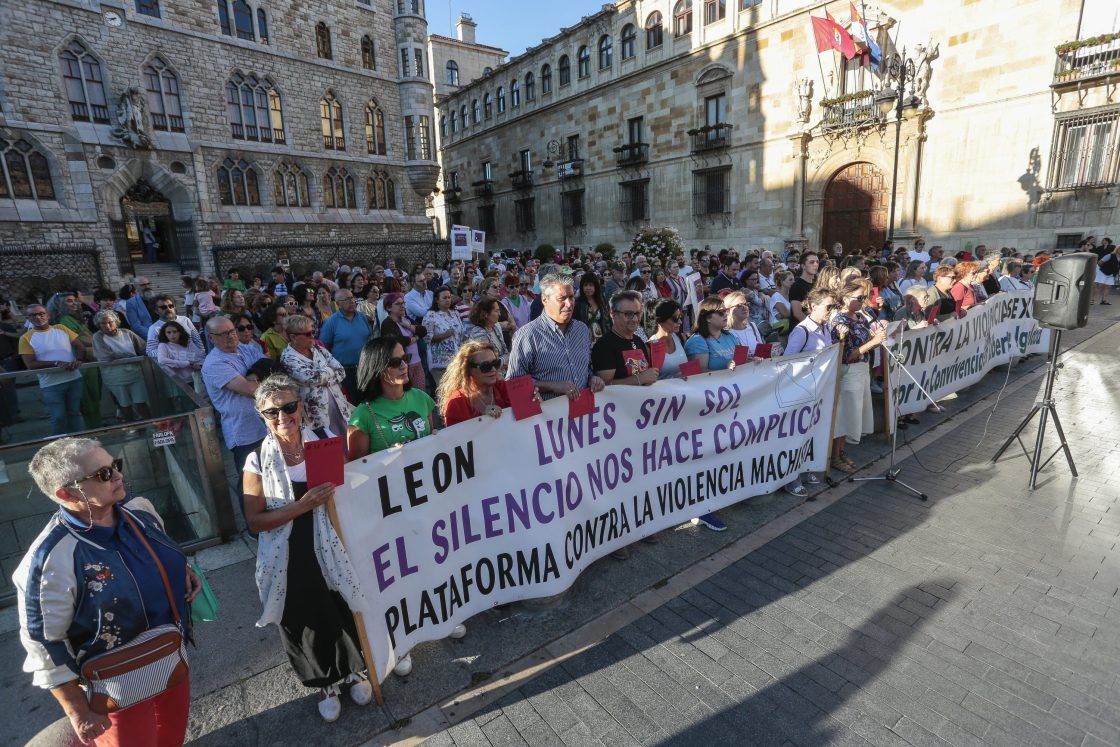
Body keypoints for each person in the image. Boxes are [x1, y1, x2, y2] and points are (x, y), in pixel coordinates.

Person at [15, 437, 200, 746]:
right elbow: (44, 643)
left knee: (172, 739)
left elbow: (161, 551)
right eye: (103, 474)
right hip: (115, 690)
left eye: (116, 465)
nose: (118, 476)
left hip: (170, 661)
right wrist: (78, 711)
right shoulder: (49, 561)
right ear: (66, 493)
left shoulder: (140, 510)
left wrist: (183, 570)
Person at [241, 376, 372, 722]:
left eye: (288, 407)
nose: (282, 417)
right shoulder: (255, 460)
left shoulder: (326, 440)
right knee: (303, 614)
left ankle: (353, 669)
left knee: (339, 601)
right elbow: (255, 521)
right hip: (289, 549)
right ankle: (325, 682)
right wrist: (303, 505)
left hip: (331, 537)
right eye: (272, 412)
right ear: (261, 416)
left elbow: (350, 488)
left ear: (301, 407)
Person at [202, 316, 268, 521]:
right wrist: (260, 373)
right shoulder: (214, 363)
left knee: (268, 476)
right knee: (250, 483)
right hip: (244, 431)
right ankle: (253, 526)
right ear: (211, 338)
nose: (230, 336)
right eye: (222, 334)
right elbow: (249, 389)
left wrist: (256, 373)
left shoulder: (247, 348)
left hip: (265, 423)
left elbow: (270, 365)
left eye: (232, 330)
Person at [505, 274, 606, 402]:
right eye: (561, 298)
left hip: (584, 417)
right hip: (548, 419)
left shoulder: (582, 330)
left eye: (571, 297)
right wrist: (550, 385)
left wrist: (593, 379)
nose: (569, 304)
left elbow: (586, 367)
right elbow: (514, 383)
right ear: (544, 300)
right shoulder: (527, 335)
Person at [830, 280, 887, 473]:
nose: (863, 302)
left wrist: (878, 338)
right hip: (849, 371)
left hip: (862, 370)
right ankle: (834, 456)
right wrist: (873, 342)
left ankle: (842, 451)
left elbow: (867, 345)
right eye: (859, 298)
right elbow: (848, 354)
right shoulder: (840, 320)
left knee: (853, 415)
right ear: (845, 299)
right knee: (844, 415)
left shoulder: (860, 318)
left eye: (865, 297)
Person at [281, 315, 353, 437]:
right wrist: (330, 371)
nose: (313, 336)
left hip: (338, 404)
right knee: (328, 445)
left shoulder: (318, 349)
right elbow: (312, 378)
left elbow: (341, 371)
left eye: (313, 332)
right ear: (293, 337)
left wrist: (323, 377)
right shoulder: (288, 358)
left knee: (348, 440)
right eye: (308, 334)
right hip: (315, 415)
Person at [19, 304, 86, 435]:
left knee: (74, 413)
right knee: (58, 417)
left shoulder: (61, 328)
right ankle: (59, 447)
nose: (38, 317)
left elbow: (81, 347)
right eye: (33, 315)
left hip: (74, 379)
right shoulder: (26, 338)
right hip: (51, 384)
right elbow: (30, 364)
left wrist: (78, 359)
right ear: (28, 318)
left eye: (41, 313)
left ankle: (79, 444)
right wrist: (56, 363)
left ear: (48, 315)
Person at [48, 292, 102, 429]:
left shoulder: (73, 318)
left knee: (93, 398)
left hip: (88, 362)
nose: (75, 303)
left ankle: (96, 425)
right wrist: (97, 340)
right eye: (70, 301)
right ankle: (95, 428)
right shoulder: (65, 320)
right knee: (89, 400)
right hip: (83, 364)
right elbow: (79, 341)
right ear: (60, 305)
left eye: (75, 300)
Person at [437, 339, 513, 426]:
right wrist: (482, 420)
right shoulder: (457, 402)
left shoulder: (503, 387)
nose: (493, 369)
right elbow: (456, 437)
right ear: (468, 370)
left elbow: (526, 410)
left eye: (495, 363)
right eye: (485, 366)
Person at [92, 310, 151, 421]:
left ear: (116, 322)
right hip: (115, 377)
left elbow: (143, 347)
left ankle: (152, 426)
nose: (107, 326)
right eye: (103, 323)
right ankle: (133, 427)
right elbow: (106, 356)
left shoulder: (127, 333)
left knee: (141, 403)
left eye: (110, 322)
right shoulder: (98, 337)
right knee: (124, 405)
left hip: (135, 374)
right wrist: (129, 356)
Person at [592, 291, 659, 387]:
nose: (635, 319)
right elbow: (605, 387)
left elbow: (648, 376)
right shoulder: (604, 346)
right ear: (613, 314)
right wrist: (639, 379)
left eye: (638, 313)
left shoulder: (638, 340)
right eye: (628, 314)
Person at [319, 289, 371, 403]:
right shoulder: (331, 322)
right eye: (346, 299)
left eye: (352, 298)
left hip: (365, 368)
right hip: (344, 372)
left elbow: (368, 338)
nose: (351, 301)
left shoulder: (362, 317)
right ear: (337, 304)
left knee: (368, 401)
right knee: (351, 404)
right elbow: (323, 348)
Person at [380, 292, 425, 389]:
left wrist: (408, 326)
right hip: (403, 366)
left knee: (421, 392)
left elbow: (423, 331)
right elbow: (400, 342)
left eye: (403, 303)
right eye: (398, 304)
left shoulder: (406, 319)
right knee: (407, 393)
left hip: (417, 362)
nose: (402, 306)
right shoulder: (387, 324)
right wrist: (416, 337)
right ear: (388, 308)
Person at [423, 286, 464, 390]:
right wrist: (444, 335)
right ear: (437, 300)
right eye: (444, 298)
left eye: (449, 297)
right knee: (445, 391)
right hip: (440, 361)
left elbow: (461, 332)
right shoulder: (430, 315)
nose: (448, 300)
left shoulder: (455, 313)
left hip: (456, 358)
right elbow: (426, 338)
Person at [685, 296, 738, 373]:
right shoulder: (697, 341)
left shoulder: (730, 336)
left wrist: (752, 360)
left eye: (726, 311)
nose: (725, 314)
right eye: (721, 312)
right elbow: (698, 374)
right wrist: (725, 370)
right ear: (707, 318)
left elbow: (741, 360)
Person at [466, 297, 509, 372]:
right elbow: (489, 361)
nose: (499, 314)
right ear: (485, 314)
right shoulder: (478, 334)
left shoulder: (495, 328)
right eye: (496, 311)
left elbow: (503, 354)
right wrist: (507, 357)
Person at [648, 299, 689, 378]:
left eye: (680, 317)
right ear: (660, 320)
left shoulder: (681, 338)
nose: (680, 322)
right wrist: (673, 379)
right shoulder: (650, 346)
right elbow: (649, 380)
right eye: (675, 318)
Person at [722, 291, 765, 355]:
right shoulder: (726, 333)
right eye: (739, 305)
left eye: (746, 304)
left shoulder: (752, 326)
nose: (745, 307)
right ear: (728, 310)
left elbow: (762, 351)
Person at [573, 271, 609, 344]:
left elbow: (606, 320)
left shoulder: (601, 301)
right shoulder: (578, 303)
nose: (588, 288)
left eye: (591, 285)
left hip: (601, 339)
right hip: (583, 340)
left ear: (596, 287)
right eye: (585, 285)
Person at [789, 252, 819, 322]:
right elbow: (797, 313)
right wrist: (813, 327)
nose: (816, 264)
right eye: (811, 262)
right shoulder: (796, 286)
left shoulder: (816, 284)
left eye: (817, 262)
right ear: (803, 266)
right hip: (802, 329)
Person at [768, 270, 795, 335]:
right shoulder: (776, 296)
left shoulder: (792, 295)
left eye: (794, 280)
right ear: (782, 282)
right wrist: (797, 311)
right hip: (780, 330)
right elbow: (786, 314)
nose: (793, 282)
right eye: (790, 280)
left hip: (791, 328)